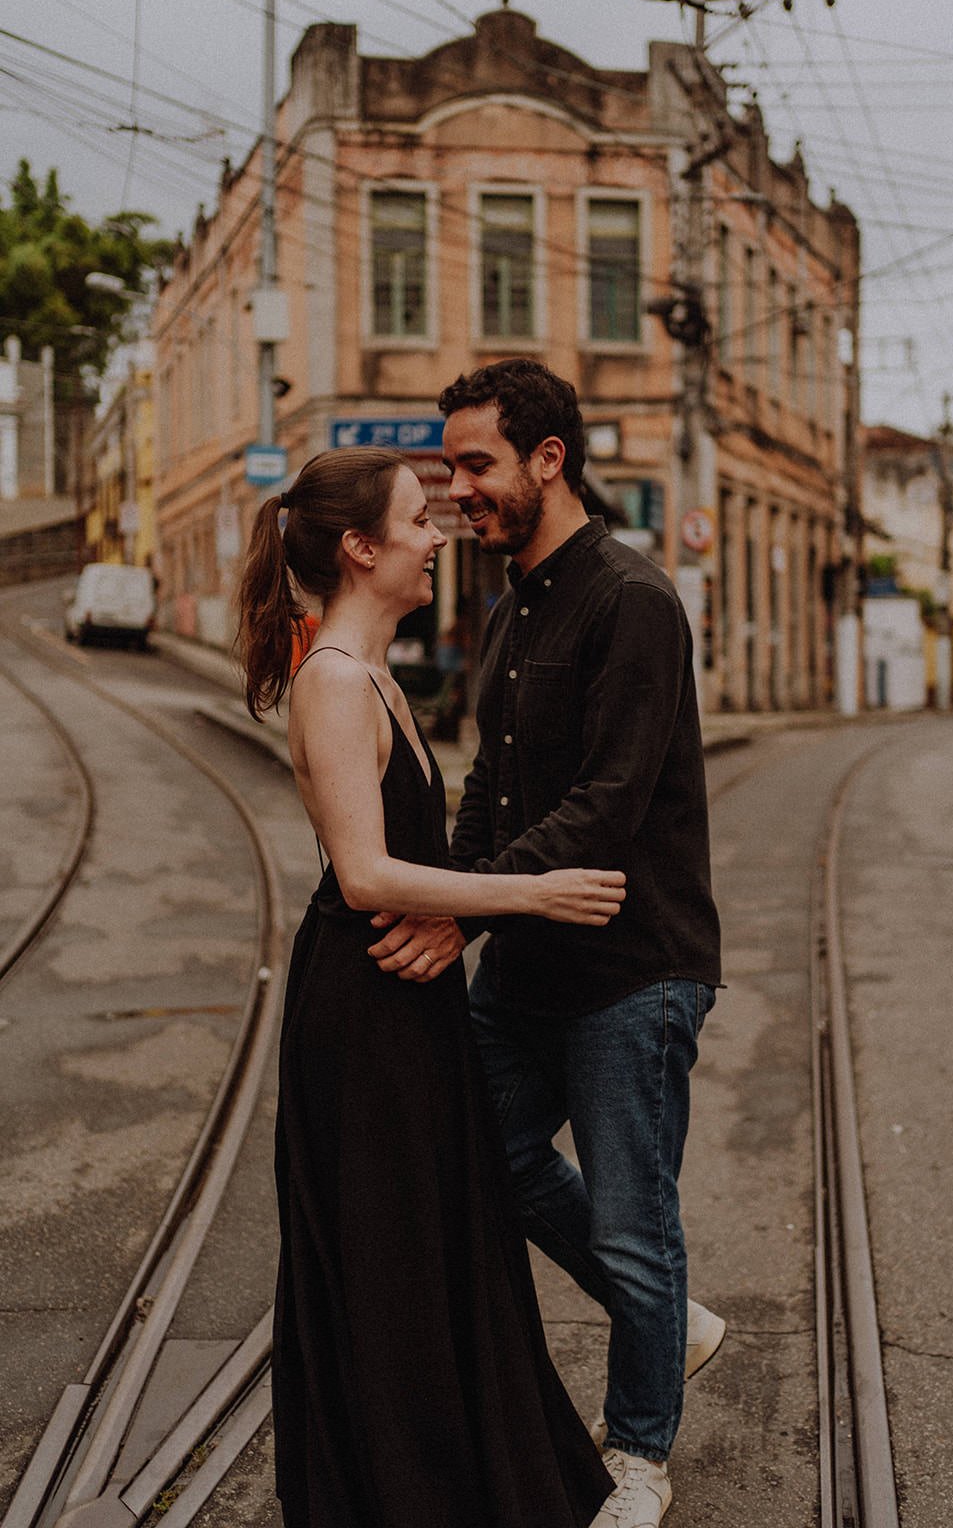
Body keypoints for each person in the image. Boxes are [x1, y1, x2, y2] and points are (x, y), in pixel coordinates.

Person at [236, 445, 621, 1528]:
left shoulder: (372, 675)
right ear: (361, 548)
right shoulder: (331, 682)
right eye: (418, 518)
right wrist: (530, 896)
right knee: (393, 1257)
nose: (438, 532)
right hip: (362, 1013)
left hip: (403, 1001)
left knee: (440, 1242)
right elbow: (361, 874)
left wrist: (477, 907)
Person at [368, 360, 725, 1528]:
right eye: (450, 466)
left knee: (633, 1221)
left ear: (546, 460)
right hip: (526, 960)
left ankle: (637, 1458)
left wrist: (461, 907)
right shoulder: (510, 604)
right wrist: (455, 899)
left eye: (475, 465)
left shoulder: (631, 601)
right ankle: (667, 1316)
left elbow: (605, 806)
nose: (457, 489)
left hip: (633, 968)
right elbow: (492, 797)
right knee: (489, 1150)